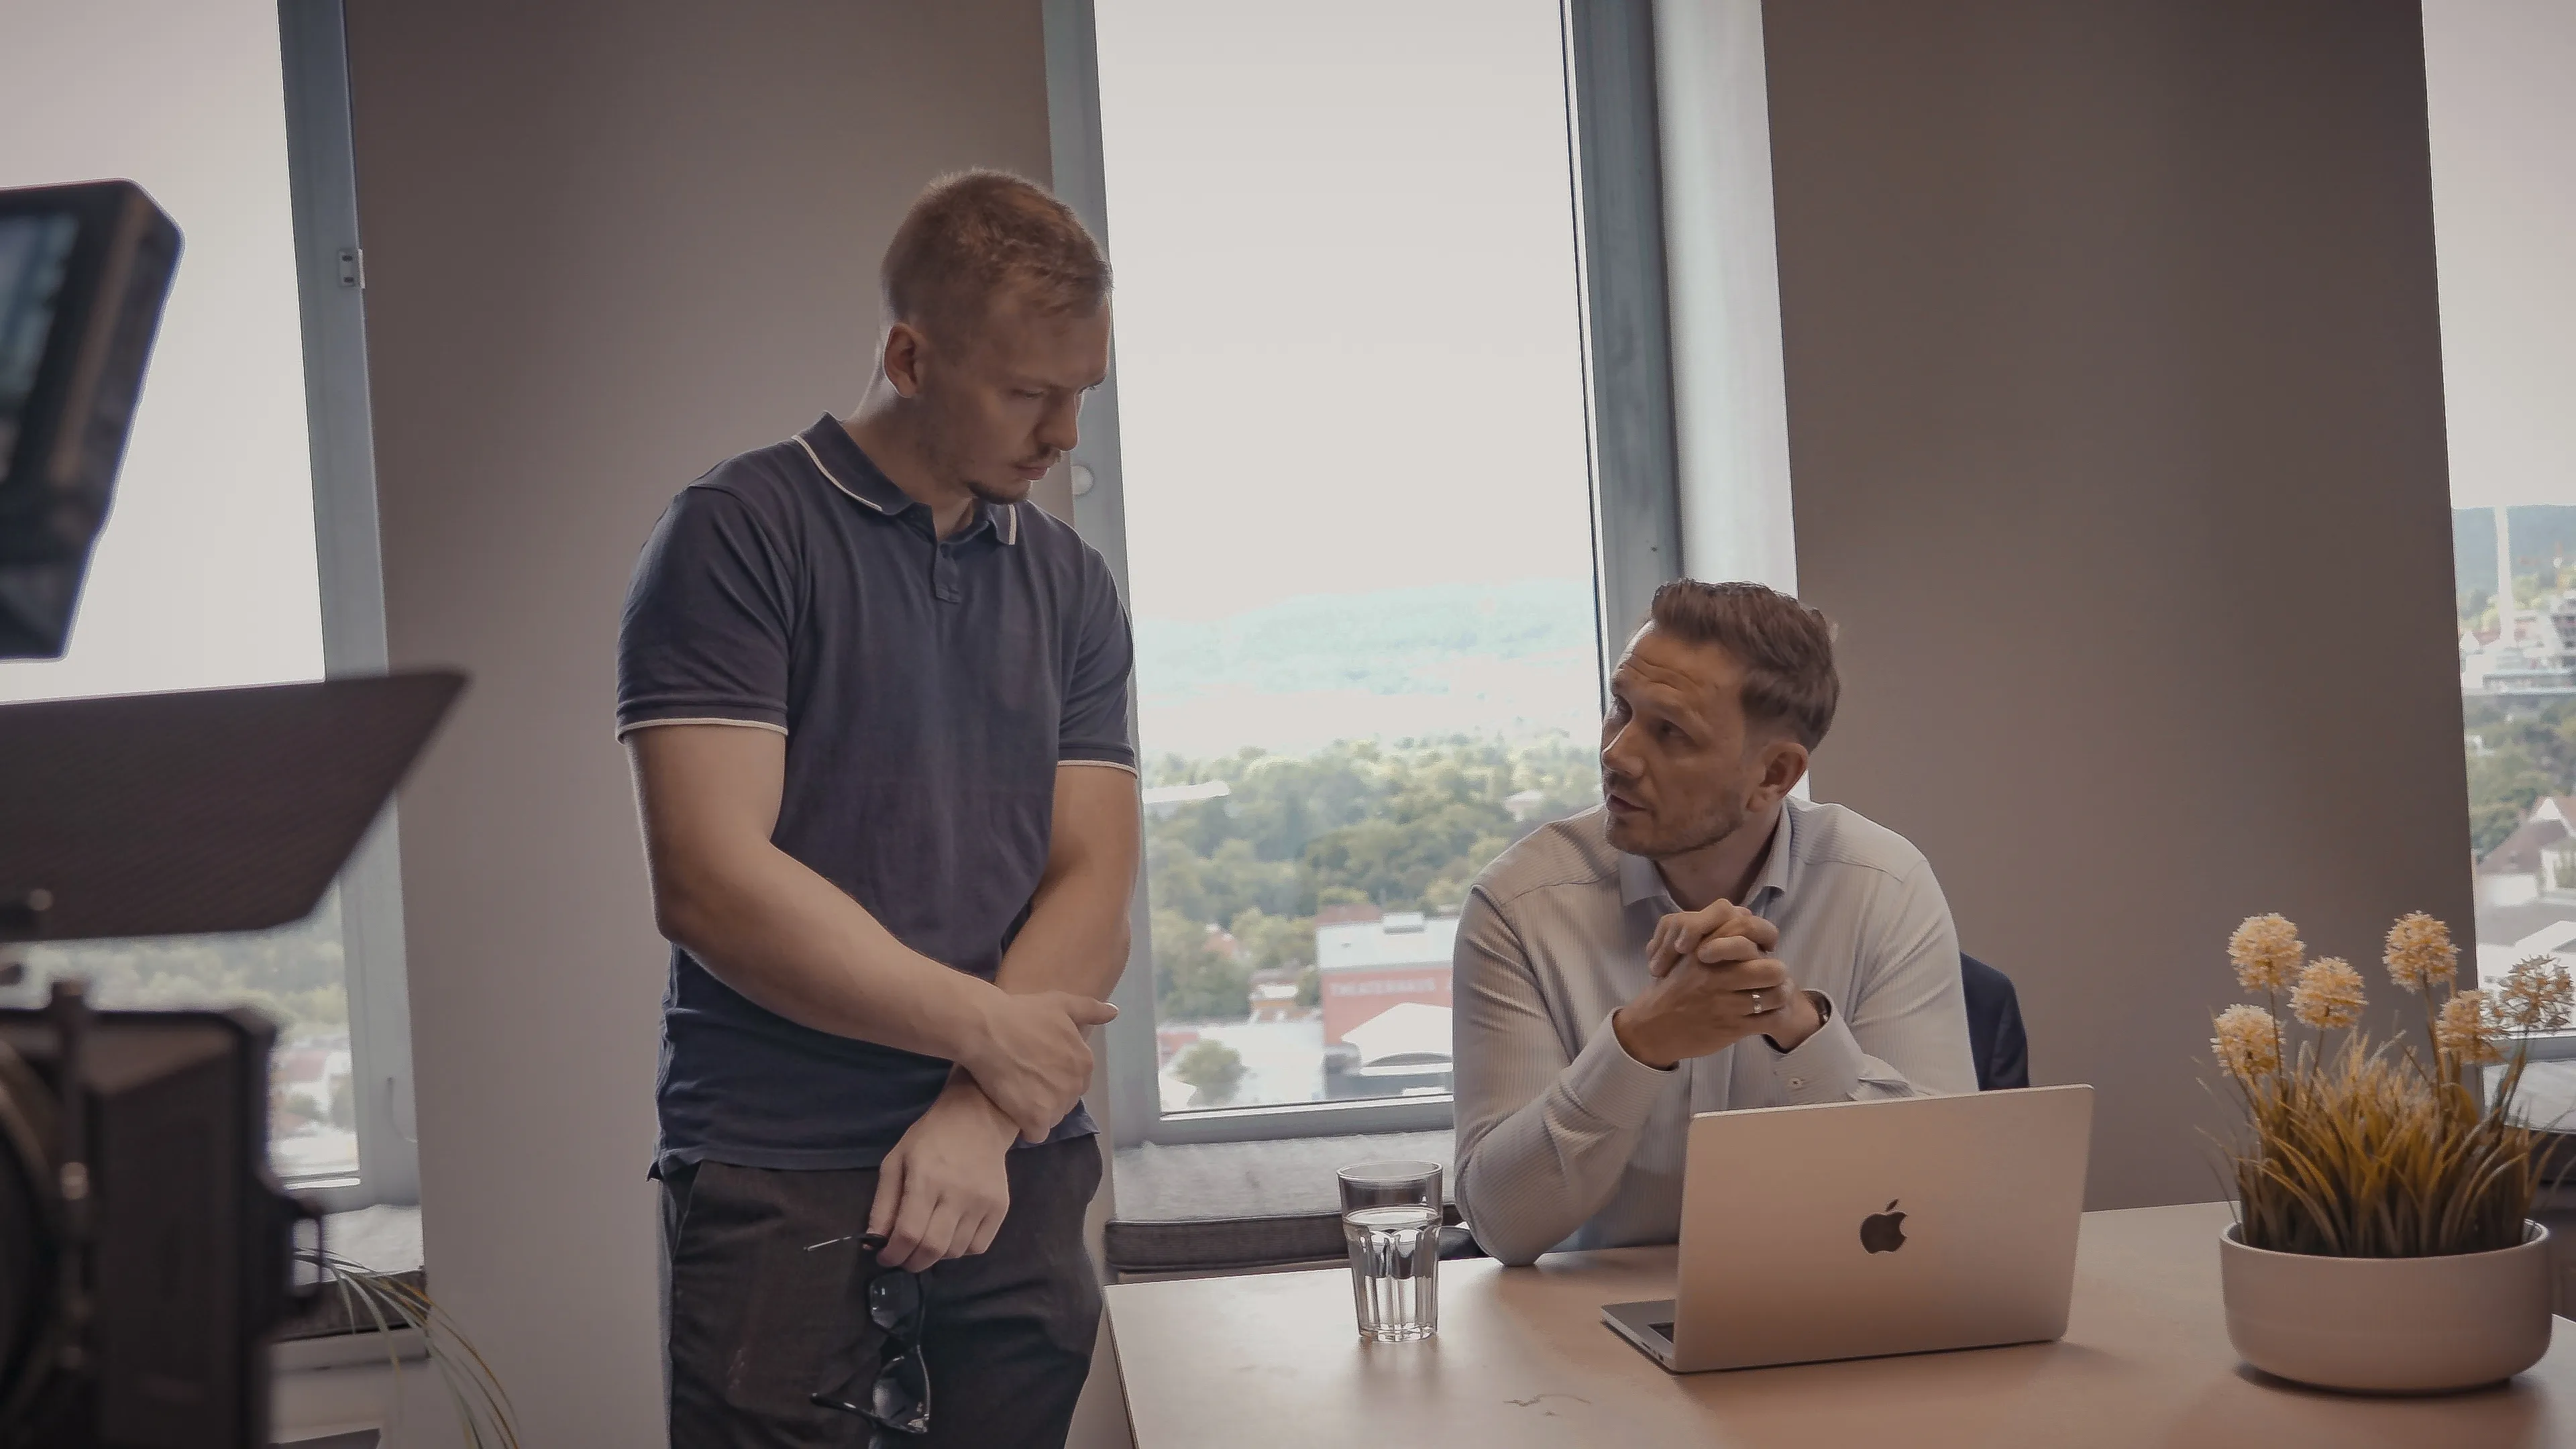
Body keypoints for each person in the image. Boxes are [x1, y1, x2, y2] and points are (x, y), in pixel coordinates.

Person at [618, 170, 1136, 1448]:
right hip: (784, 1156)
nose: (1064, 433)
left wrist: (981, 1106)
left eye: (1082, 393)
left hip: (1014, 1152)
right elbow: (711, 880)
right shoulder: (737, 532)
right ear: (910, 358)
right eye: (1028, 393)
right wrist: (991, 1034)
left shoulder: (1071, 583)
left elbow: (1091, 880)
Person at [1452, 579, 1976, 1267]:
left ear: (1775, 774)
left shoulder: (1883, 886)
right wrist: (1642, 1041)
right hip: (1588, 1321)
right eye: (1621, 708)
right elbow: (1500, 1224)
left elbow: (1942, 1193)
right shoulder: (1521, 905)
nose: (1617, 754)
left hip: (1829, 1301)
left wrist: (1795, 1025)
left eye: (1670, 732)